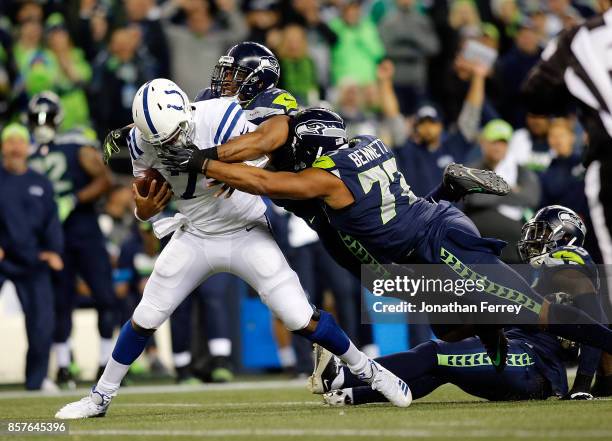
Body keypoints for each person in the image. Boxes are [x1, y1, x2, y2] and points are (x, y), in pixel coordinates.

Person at [55, 78, 412, 420]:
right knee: (146, 314)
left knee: (298, 316)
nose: (171, 143)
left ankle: (371, 372)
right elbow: (144, 197)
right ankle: (99, 396)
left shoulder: (220, 113)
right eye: (161, 139)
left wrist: (235, 168)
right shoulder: (139, 142)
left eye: (176, 133)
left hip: (246, 230)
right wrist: (144, 211)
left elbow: (266, 148)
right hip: (194, 235)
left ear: (187, 110)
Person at [160, 107, 612, 368]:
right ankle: (450, 189)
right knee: (450, 329)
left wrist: (200, 162)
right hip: (418, 237)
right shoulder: (364, 142)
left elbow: (267, 184)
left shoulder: (327, 178)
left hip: (439, 240)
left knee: (534, 310)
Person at [308, 205, 608, 405]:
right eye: (534, 232)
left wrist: (583, 383)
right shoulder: (536, 271)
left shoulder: (572, 262)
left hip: (535, 365)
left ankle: (342, 374)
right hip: (517, 356)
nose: (533, 239)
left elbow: (594, 318)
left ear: (567, 236)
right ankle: (352, 395)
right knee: (441, 368)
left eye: (543, 233)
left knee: (435, 354)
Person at [27, 91, 114, 388]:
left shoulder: (75, 145)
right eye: (36, 118)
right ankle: (63, 366)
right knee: (60, 303)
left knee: (104, 295)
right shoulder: (24, 151)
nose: (42, 124)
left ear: (59, 118)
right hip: (51, 235)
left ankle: (107, 364)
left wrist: (74, 199)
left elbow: (105, 179)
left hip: (83, 229)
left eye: (47, 117)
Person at [0, 123, 63, 390]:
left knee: (42, 324)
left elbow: (52, 221)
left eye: (20, 142)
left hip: (34, 260)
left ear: (28, 147)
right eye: (10, 141)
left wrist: (54, 252)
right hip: (3, 260)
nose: (15, 147)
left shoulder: (41, 183)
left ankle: (35, 382)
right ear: (3, 147)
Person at [464, 119, 541, 263]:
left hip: (514, 251)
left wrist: (488, 189)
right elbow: (475, 198)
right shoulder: (472, 170)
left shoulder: (520, 171)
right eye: (494, 142)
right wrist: (510, 190)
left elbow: (531, 197)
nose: (498, 147)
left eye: (503, 142)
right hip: (481, 249)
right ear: (483, 143)